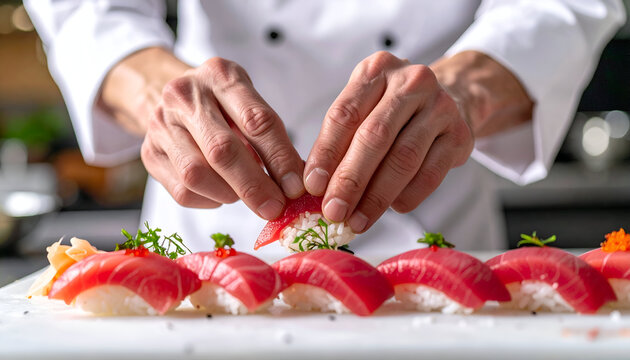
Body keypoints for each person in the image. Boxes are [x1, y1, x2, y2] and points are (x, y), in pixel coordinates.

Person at [25, 1, 625, 260]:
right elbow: (85, 10)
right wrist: (155, 88)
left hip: (435, 212)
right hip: (209, 230)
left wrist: (467, 87)